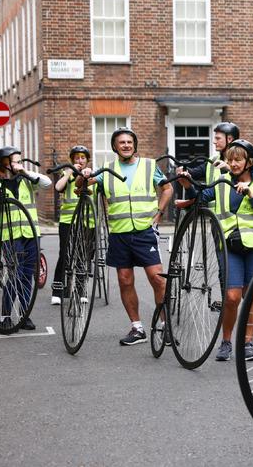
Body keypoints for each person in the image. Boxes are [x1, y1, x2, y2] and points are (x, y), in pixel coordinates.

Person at [179, 139, 253, 362]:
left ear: (249, 162)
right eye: (229, 159)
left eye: (237, 159)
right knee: (231, 297)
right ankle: (226, 341)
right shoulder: (221, 182)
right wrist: (187, 185)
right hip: (228, 245)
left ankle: (248, 342)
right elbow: (199, 198)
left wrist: (251, 194)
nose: (232, 163)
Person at [79, 127, 173, 345]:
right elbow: (79, 190)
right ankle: (137, 328)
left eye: (129, 142)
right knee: (124, 280)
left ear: (135, 144)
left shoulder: (149, 166)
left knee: (158, 280)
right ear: (115, 147)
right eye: (121, 142)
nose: (126, 145)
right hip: (119, 234)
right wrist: (83, 176)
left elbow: (167, 189)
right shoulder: (106, 170)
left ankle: (164, 325)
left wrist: (158, 214)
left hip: (144, 231)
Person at [0, 146, 51, 331]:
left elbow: (47, 183)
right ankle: (5, 316)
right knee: (14, 275)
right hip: (10, 237)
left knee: (27, 276)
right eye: (15, 161)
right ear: (4, 162)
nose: (19, 163)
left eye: (20, 161)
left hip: (31, 234)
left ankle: (24, 315)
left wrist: (25, 170)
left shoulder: (26, 179)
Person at [51, 145, 90, 305]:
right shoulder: (67, 175)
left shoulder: (91, 174)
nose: (79, 160)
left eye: (82, 158)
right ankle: (58, 290)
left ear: (87, 160)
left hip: (87, 221)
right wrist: (68, 172)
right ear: (72, 160)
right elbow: (58, 187)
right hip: (68, 221)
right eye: (76, 158)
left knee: (83, 255)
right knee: (64, 254)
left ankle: (80, 291)